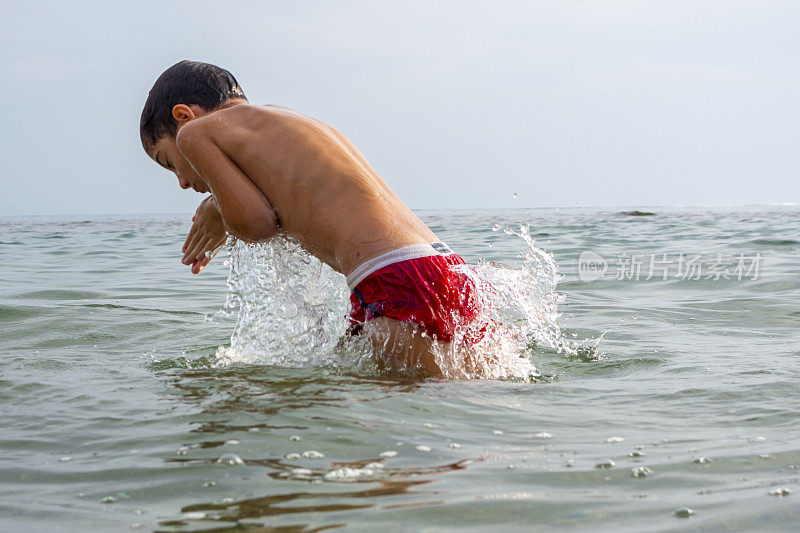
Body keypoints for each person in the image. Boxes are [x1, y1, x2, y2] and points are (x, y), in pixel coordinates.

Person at [140, 60, 487, 375]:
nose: (183, 182)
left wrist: (218, 209)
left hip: (394, 277)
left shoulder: (195, 133)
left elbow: (257, 224)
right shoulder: (278, 121)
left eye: (169, 162)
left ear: (184, 116)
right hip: (436, 268)